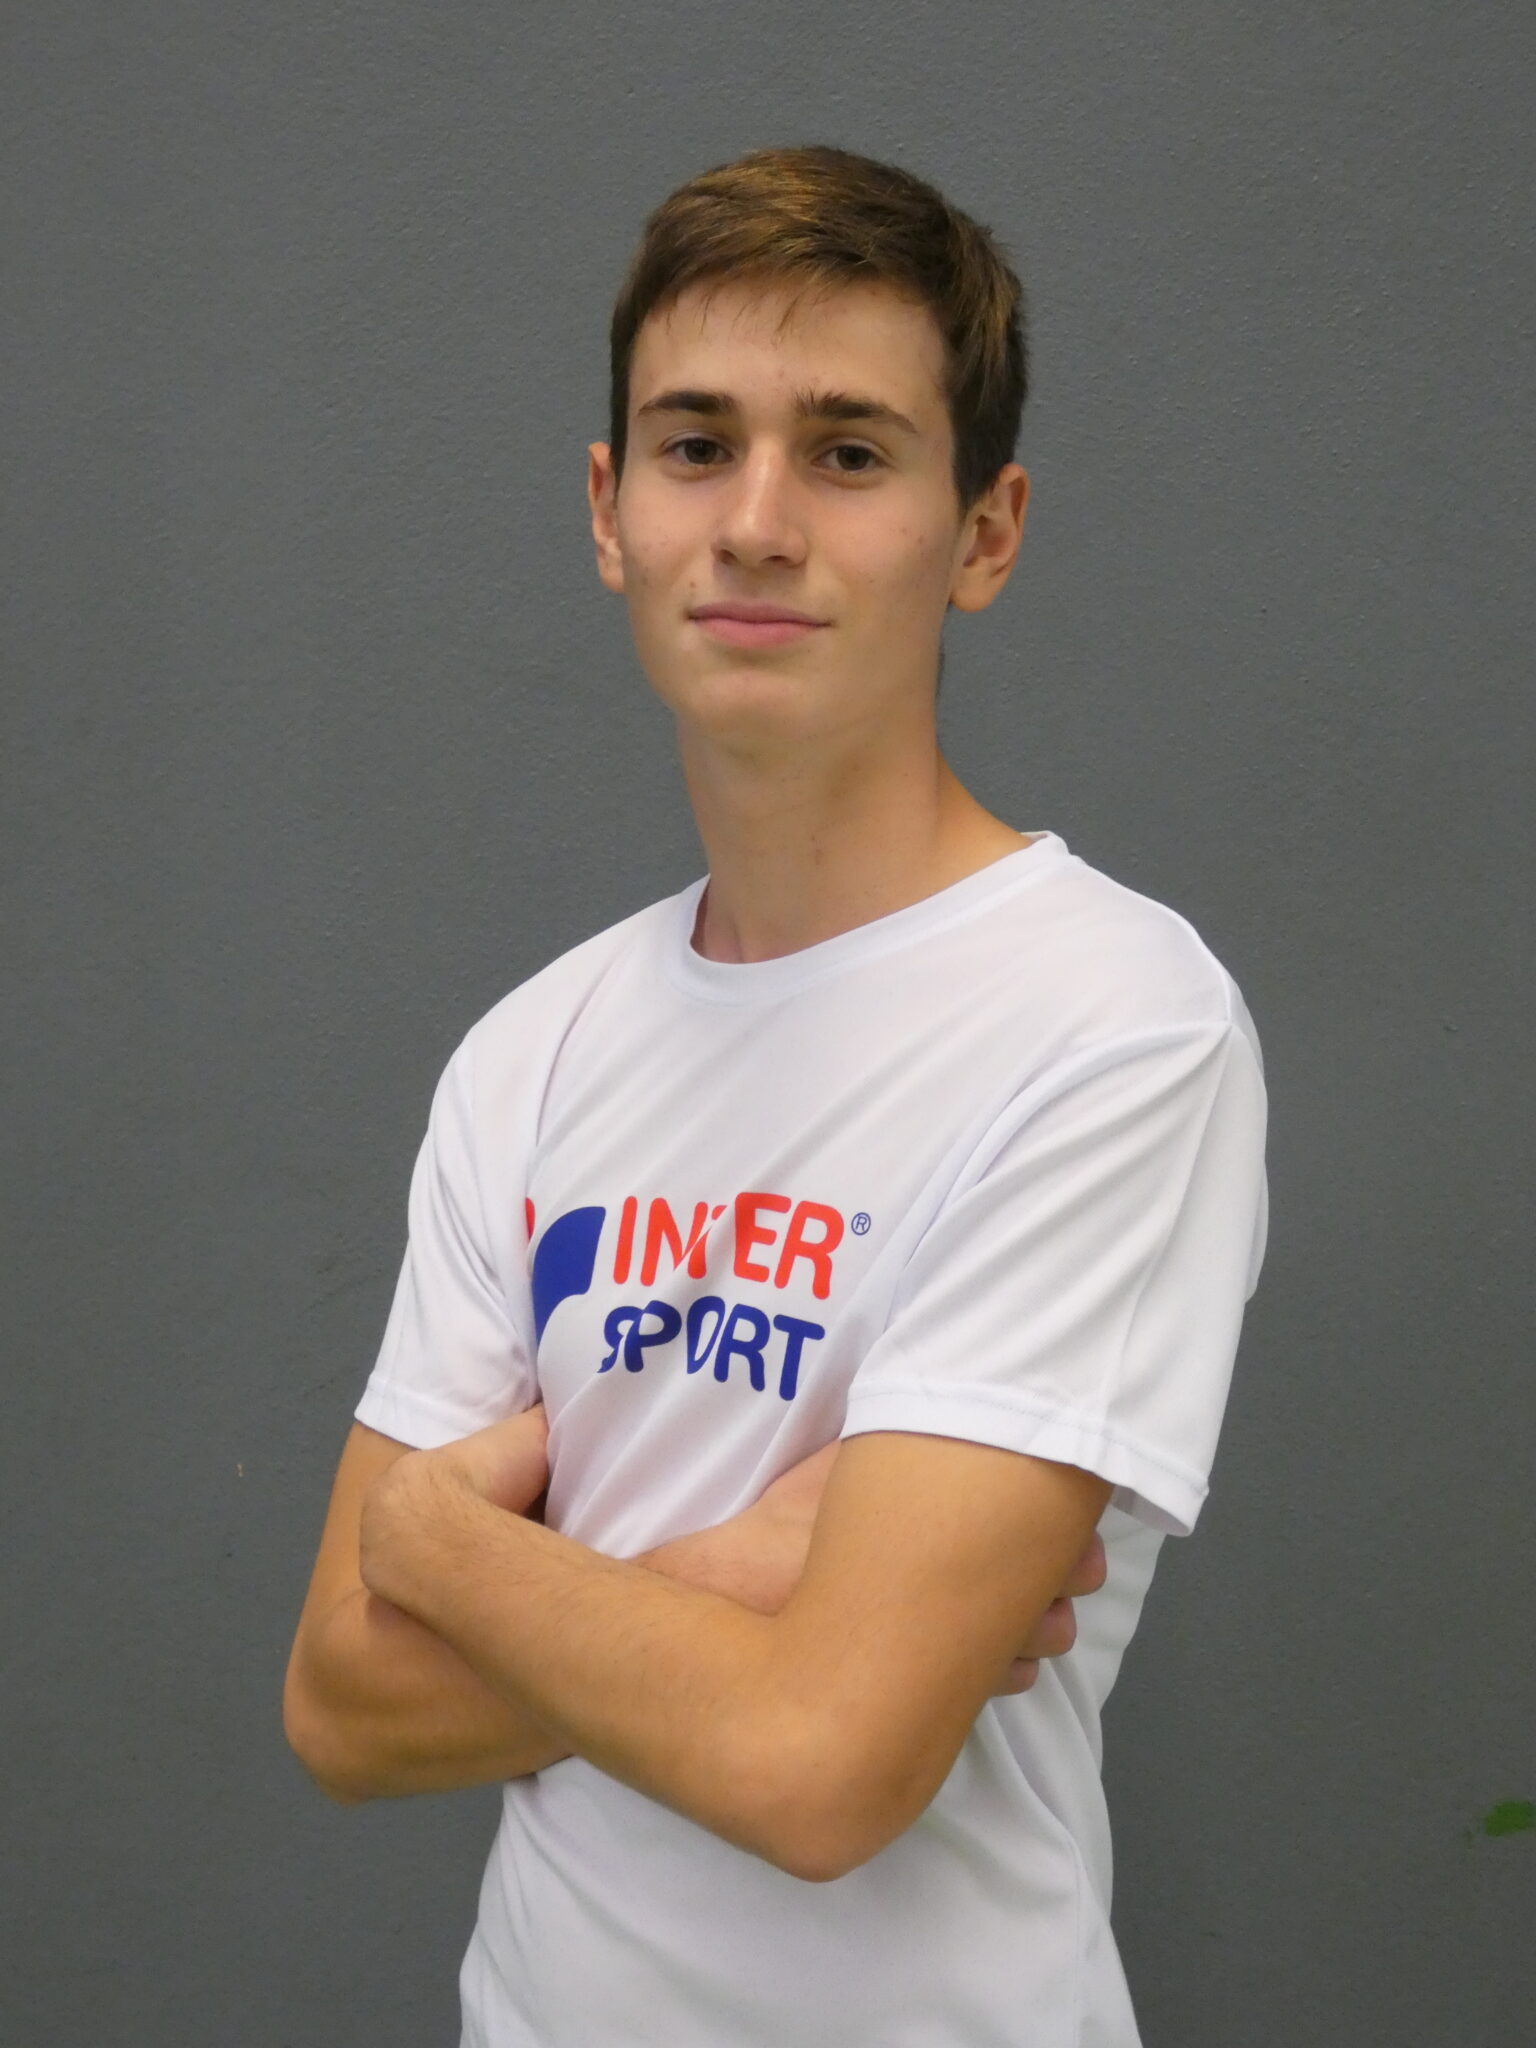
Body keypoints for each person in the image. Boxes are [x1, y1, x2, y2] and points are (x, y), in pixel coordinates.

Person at [283, 143, 1268, 2048]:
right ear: (609, 511)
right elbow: (341, 1708)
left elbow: (822, 1767)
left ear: (984, 532)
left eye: (848, 452)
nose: (754, 522)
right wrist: (743, 1577)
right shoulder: (531, 1052)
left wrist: (445, 1547)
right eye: (695, 444)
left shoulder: (1114, 1023)